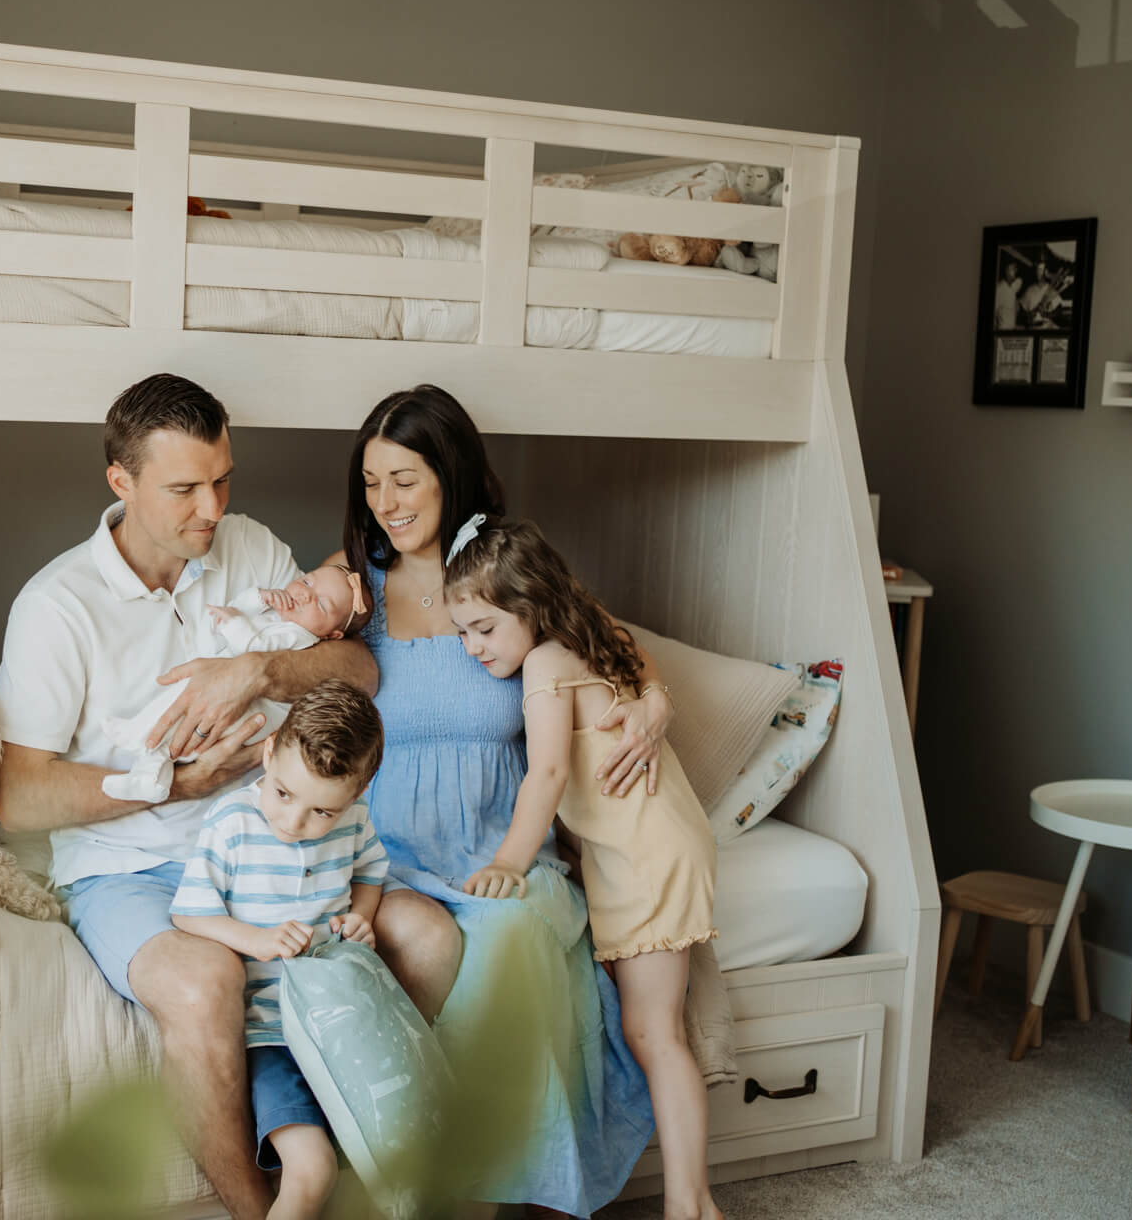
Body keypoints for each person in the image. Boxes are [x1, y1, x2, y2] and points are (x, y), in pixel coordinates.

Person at [0, 374, 461, 1220]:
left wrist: (259, 671)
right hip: (132, 867)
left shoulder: (246, 546)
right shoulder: (57, 607)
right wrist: (173, 786)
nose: (212, 507)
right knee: (209, 982)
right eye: (184, 489)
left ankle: (348, 1165)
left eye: (223, 479)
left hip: (274, 833)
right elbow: (16, 796)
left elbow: (359, 669)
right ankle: (261, 1210)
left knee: (425, 936)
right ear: (121, 482)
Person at [331, 384, 669, 1218]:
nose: (386, 504)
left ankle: (490, 1184)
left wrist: (655, 705)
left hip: (498, 848)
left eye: (404, 479)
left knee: (515, 933)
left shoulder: (500, 572)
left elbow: (615, 644)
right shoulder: (357, 587)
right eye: (372, 483)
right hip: (392, 852)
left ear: (450, 471)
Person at [444, 517, 724, 1220]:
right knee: (649, 1029)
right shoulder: (585, 634)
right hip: (650, 845)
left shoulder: (544, 664)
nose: (472, 647)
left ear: (529, 608)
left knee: (656, 1033)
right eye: (462, 633)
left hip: (648, 854)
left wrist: (509, 859)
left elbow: (545, 772)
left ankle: (693, 1205)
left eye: (482, 628)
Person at [170, 680, 388, 1220]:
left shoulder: (355, 822)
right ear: (269, 754)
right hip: (272, 1030)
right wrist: (258, 941)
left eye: (322, 812)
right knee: (311, 1170)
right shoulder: (233, 822)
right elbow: (188, 912)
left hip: (342, 1024)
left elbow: (371, 873)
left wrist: (360, 917)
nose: (292, 823)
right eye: (284, 794)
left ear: (355, 798)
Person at [101, 565, 372, 803]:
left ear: (332, 635)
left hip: (253, 712)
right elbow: (237, 610)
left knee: (185, 713)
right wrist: (259, 598)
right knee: (181, 707)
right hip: (238, 698)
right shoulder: (278, 616)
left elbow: (254, 647)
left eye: (322, 605)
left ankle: (139, 738)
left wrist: (232, 621)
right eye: (307, 582)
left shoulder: (299, 637)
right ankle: (149, 774)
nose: (305, 595)